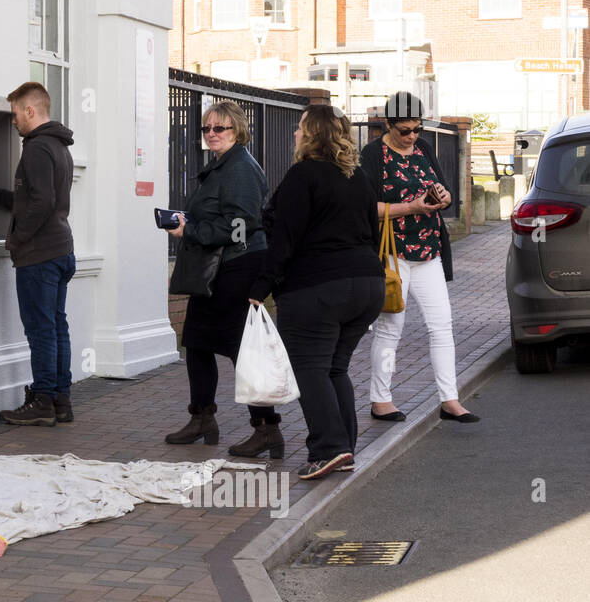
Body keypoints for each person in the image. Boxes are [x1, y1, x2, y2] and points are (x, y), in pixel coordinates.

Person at [248, 105, 386, 480]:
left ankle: (328, 449)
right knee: (334, 368)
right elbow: (372, 234)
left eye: (299, 127)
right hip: (367, 287)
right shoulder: (359, 178)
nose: (294, 133)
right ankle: (344, 449)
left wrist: (261, 287)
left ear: (312, 134)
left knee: (310, 369)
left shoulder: (302, 175)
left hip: (317, 289)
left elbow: (284, 239)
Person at [166, 100, 283, 459]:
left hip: (238, 265)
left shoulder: (240, 168)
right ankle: (202, 419)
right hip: (218, 268)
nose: (212, 134)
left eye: (220, 128)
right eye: (207, 129)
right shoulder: (222, 165)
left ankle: (267, 430)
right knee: (198, 343)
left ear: (237, 130)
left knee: (240, 349)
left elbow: (241, 226)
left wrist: (192, 231)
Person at [360, 92, 479, 424]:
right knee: (390, 327)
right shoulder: (373, 154)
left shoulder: (423, 149)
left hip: (429, 251)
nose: (412, 136)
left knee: (442, 325)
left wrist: (443, 196)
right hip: (392, 253)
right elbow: (366, 208)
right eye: (405, 131)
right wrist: (410, 207)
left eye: (417, 129)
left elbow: (445, 189)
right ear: (388, 125)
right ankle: (380, 400)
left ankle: (450, 400)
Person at [0, 81, 77, 427]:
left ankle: (42, 400)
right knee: (56, 326)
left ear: (30, 110)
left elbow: (42, 201)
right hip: (60, 249)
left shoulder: (37, 147)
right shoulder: (60, 147)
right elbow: (38, 198)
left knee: (41, 329)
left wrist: (18, 240)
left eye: (15, 115)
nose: (13, 122)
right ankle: (60, 400)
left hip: (40, 254)